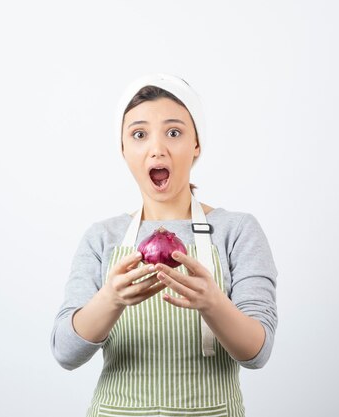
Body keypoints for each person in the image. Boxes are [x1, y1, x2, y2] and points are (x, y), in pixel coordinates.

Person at [50, 73, 279, 417]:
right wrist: (110, 299)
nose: (157, 148)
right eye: (139, 134)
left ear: (197, 144)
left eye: (174, 132)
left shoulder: (237, 231)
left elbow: (257, 353)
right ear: (123, 149)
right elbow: (65, 353)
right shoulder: (102, 238)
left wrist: (212, 302)